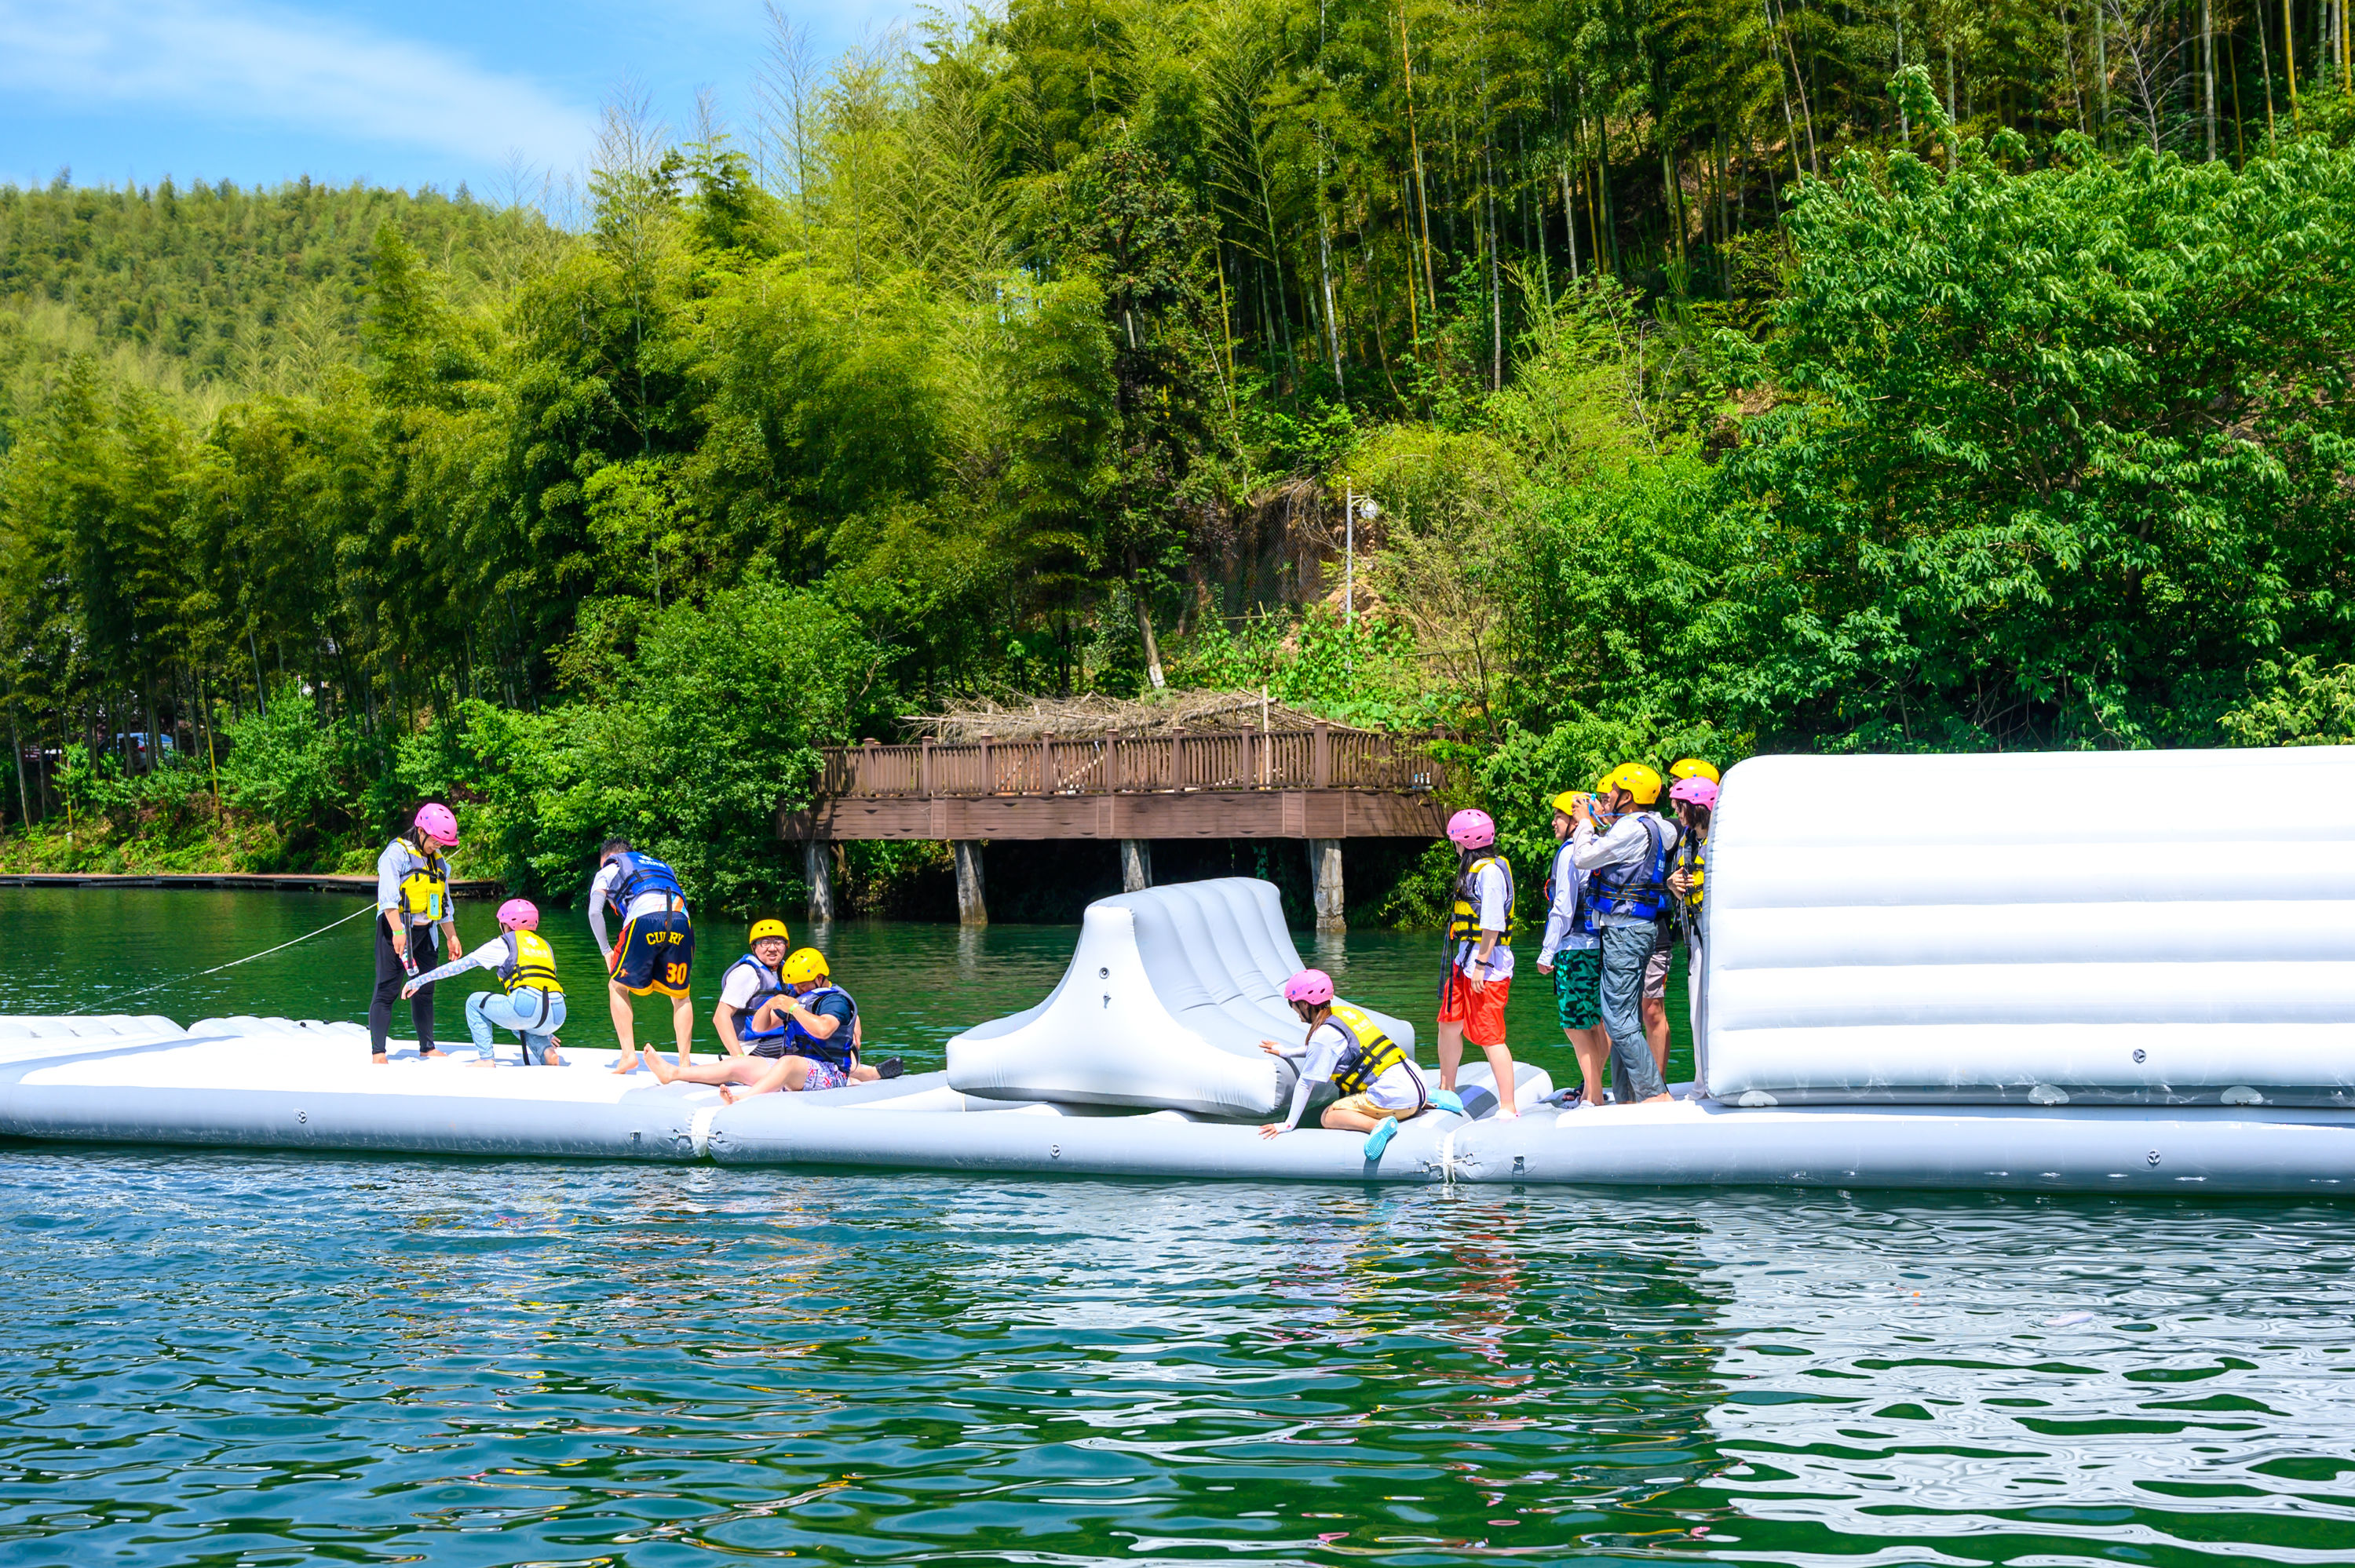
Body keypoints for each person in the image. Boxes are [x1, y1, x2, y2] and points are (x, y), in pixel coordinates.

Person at [648, 947, 899, 1099]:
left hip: (829, 1073)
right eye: (796, 985)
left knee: (788, 1063)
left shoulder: (835, 1001)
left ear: (820, 978)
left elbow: (823, 1030)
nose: (798, 989)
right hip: (799, 1071)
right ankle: (673, 1073)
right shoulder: (802, 997)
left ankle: (743, 1098)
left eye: (802, 984)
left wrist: (793, 1008)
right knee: (741, 1063)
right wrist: (770, 1005)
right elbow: (759, 1027)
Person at [1569, 764, 1679, 1105]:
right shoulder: (1658, 826)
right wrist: (1605, 820)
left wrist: (1586, 823)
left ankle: (1655, 1095)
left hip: (1625, 931)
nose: (1607, 797)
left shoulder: (1631, 830)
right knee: (1624, 1016)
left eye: (1613, 792)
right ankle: (1627, 1097)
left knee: (1617, 1018)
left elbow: (1584, 858)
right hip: (1639, 929)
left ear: (1627, 797)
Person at [1258, 968, 1430, 1158]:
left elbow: (1306, 1083)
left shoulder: (1323, 1034)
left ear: (1305, 1005)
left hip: (1395, 1094)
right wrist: (1286, 1052)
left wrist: (1288, 1125)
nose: (1296, 1013)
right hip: (1416, 1082)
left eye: (1294, 1006)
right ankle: (1429, 1100)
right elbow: (1323, 1050)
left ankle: (1377, 1126)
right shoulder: (1344, 1014)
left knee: (1328, 1116)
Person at [400, 898, 568, 1065]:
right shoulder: (544, 946)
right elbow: (544, 986)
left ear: (507, 925)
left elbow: (458, 966)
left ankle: (486, 1059)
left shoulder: (504, 943)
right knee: (518, 1021)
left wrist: (418, 981)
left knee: (474, 1003)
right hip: (557, 1013)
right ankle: (547, 1051)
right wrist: (546, 1030)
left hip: (527, 1008)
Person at [1435, 808, 1520, 1120]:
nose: (1454, 846)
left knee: (1490, 1035)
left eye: (1456, 841)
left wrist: (1482, 964)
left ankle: (1508, 1106)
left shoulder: (1490, 873)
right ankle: (1447, 1090)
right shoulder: (1474, 868)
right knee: (1448, 1023)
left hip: (1488, 965)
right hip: (1465, 961)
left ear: (1466, 842)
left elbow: (1493, 923)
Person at [587, 837, 695, 1074]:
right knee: (681, 995)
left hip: (645, 920)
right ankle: (685, 1064)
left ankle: (628, 1055)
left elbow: (595, 913)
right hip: (681, 922)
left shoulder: (609, 868)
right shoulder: (662, 867)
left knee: (617, 986)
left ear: (606, 858)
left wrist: (606, 951)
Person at [370, 803, 463, 1064]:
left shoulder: (439, 863)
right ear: (421, 831)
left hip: (426, 934)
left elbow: (444, 905)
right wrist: (398, 930)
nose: (439, 846)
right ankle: (378, 1053)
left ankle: (427, 1047)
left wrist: (451, 936)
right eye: (436, 840)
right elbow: (388, 899)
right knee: (386, 990)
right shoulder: (395, 855)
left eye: (443, 843)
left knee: (425, 990)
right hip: (395, 931)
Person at [1534, 791, 1608, 1106]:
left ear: (1575, 819)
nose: (1553, 822)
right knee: (1594, 1023)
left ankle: (1593, 1097)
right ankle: (1592, 1092)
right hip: (1596, 947)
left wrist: (1547, 952)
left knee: (1575, 1026)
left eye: (1559, 816)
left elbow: (1563, 908)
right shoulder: (1595, 848)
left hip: (1574, 948)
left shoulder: (1569, 853)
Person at [1667, 773, 1718, 1062]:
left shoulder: (1720, 842)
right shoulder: (1687, 840)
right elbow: (1679, 885)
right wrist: (1672, 886)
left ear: (1697, 807)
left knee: (1712, 1007)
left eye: (1680, 806)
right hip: (1694, 937)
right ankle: (1701, 1079)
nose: (1676, 811)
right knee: (1696, 1009)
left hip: (1716, 936)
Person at [714, 919, 791, 1056]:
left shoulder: (788, 971)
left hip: (778, 1040)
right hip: (752, 1047)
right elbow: (720, 1017)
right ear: (754, 947)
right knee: (801, 1042)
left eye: (778, 942)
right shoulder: (746, 973)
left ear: (786, 945)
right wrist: (740, 1059)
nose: (772, 948)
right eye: (765, 943)